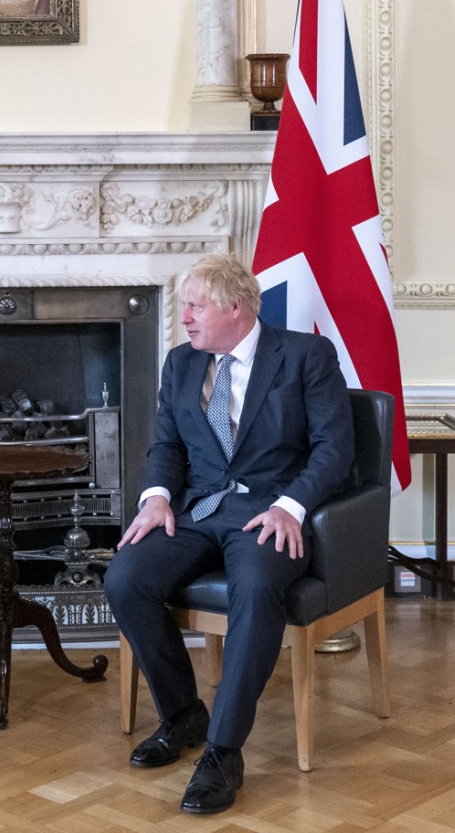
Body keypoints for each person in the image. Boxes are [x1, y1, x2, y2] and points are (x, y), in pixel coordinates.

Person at [104, 253, 354, 815]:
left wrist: (291, 506)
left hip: (269, 512)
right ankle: (183, 714)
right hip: (198, 511)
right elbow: (167, 446)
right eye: (184, 307)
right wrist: (156, 497)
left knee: (257, 588)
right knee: (125, 578)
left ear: (235, 307)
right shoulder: (181, 364)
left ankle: (223, 751)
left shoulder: (305, 356)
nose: (184, 318)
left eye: (195, 306)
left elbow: (334, 450)